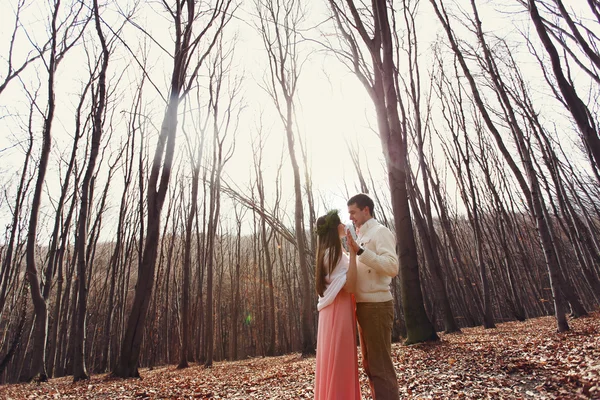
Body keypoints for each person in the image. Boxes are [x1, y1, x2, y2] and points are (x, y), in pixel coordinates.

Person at [346, 194, 399, 400]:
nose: (351, 217)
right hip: (364, 306)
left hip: (378, 306)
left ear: (366, 210)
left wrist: (360, 251)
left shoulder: (381, 232)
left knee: (381, 366)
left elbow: (392, 267)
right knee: (369, 365)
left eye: (353, 212)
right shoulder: (361, 236)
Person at [314, 210, 361, 400]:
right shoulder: (335, 253)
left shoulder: (327, 252)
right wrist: (353, 253)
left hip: (329, 311)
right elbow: (349, 284)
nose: (344, 224)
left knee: (330, 359)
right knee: (340, 359)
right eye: (341, 222)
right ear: (335, 229)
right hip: (338, 309)